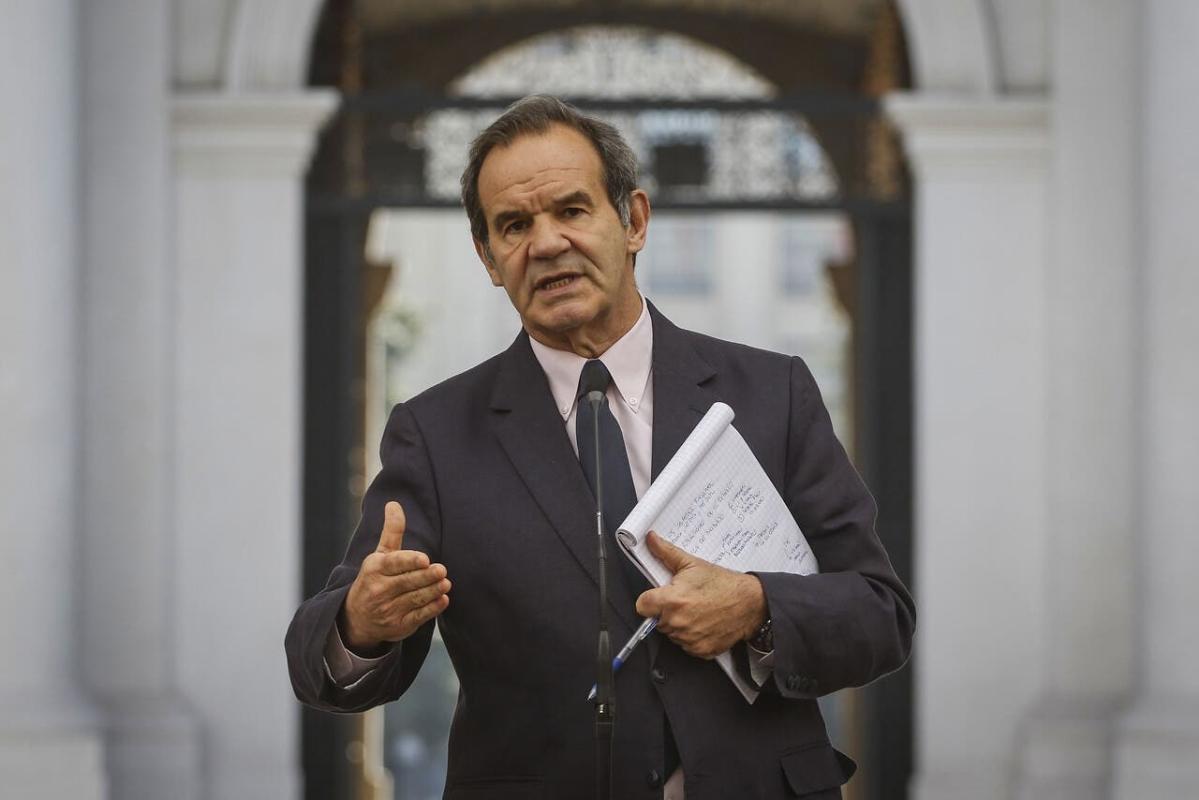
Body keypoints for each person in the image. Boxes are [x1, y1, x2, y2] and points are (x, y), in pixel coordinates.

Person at [286, 95, 915, 800]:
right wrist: (361, 623)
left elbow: (879, 616)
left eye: (571, 210)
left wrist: (757, 607)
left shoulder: (773, 393)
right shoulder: (434, 433)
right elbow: (318, 662)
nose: (546, 243)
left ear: (634, 221)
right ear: (489, 257)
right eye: (514, 225)